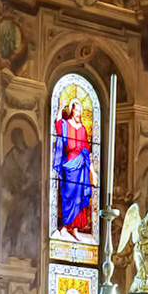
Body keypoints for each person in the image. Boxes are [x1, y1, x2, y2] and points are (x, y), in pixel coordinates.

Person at [53, 96, 95, 237]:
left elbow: (86, 151)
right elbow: (57, 125)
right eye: (76, 110)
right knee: (67, 194)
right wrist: (61, 108)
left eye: (80, 111)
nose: (78, 114)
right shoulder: (65, 124)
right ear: (71, 110)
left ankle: (75, 228)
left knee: (78, 196)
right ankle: (66, 226)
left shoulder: (83, 129)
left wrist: (93, 172)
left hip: (81, 166)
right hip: (69, 163)